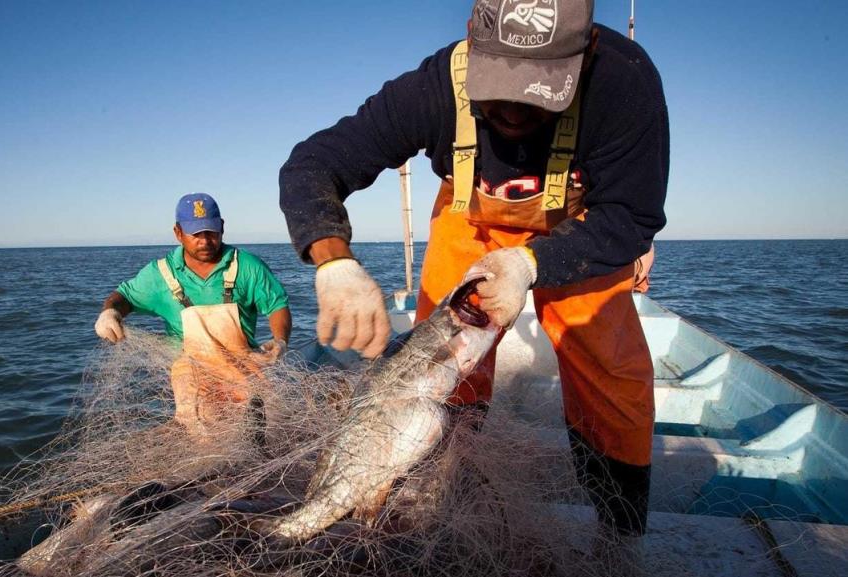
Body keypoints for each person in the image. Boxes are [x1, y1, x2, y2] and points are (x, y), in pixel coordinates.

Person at [278, 0, 667, 568]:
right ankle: (439, 488)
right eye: (499, 80)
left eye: (539, 90)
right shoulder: (433, 86)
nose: (512, 109)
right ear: (472, 41)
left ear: (585, 57)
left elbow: (631, 214)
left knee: (612, 370)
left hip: (579, 230)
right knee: (442, 367)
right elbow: (312, 165)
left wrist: (529, 265)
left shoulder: (624, 82)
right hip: (471, 219)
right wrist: (332, 261)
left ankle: (621, 535)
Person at [95, 193, 292, 429]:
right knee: (203, 427)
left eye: (211, 232)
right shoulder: (160, 274)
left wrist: (280, 340)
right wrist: (110, 313)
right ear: (178, 233)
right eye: (195, 233)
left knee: (265, 422)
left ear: (222, 228)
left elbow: (277, 306)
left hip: (243, 364)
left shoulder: (247, 266)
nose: (205, 240)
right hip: (192, 372)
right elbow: (123, 297)